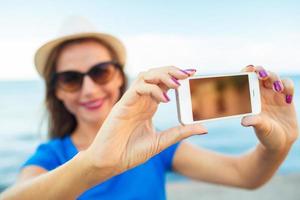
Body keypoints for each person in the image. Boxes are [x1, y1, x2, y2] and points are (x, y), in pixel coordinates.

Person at [0, 30, 298, 199]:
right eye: (70, 79)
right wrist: (94, 164)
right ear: (57, 92)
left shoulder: (153, 144)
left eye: (100, 72)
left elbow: (244, 176)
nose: (89, 90)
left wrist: (278, 146)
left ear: (119, 78)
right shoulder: (52, 156)